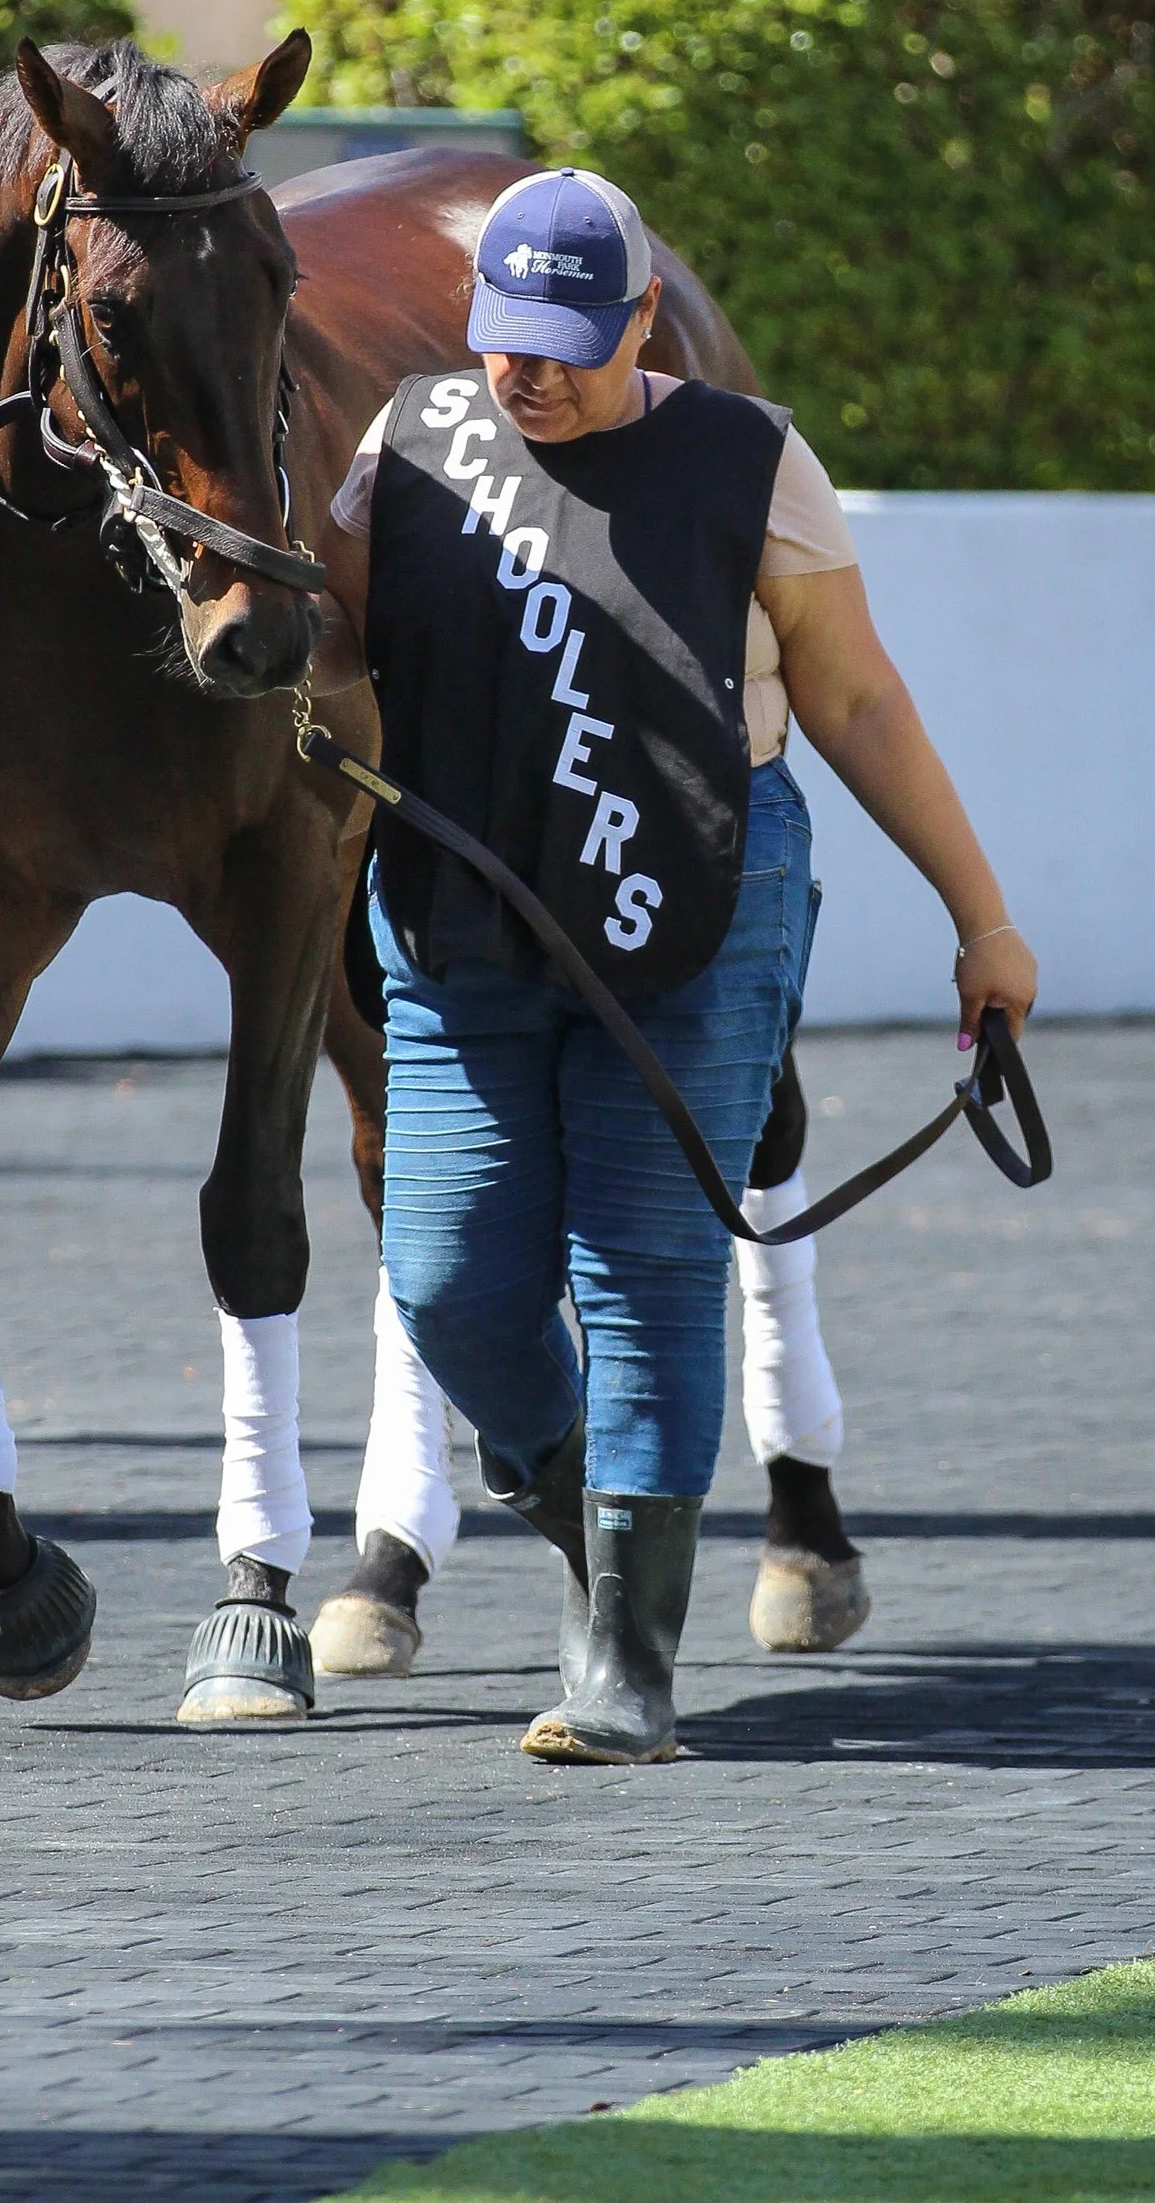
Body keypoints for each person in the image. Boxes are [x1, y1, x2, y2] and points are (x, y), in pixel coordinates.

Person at [317, 165, 1037, 1765]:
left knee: (645, 1268)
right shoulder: (408, 449)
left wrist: (980, 920)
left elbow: (854, 701)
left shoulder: (750, 461)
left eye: (572, 338)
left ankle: (626, 1659)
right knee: (444, 1275)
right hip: (464, 905)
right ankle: (577, 1489)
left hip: (701, 903)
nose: (533, 371)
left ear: (643, 316)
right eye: (508, 336)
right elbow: (345, 650)